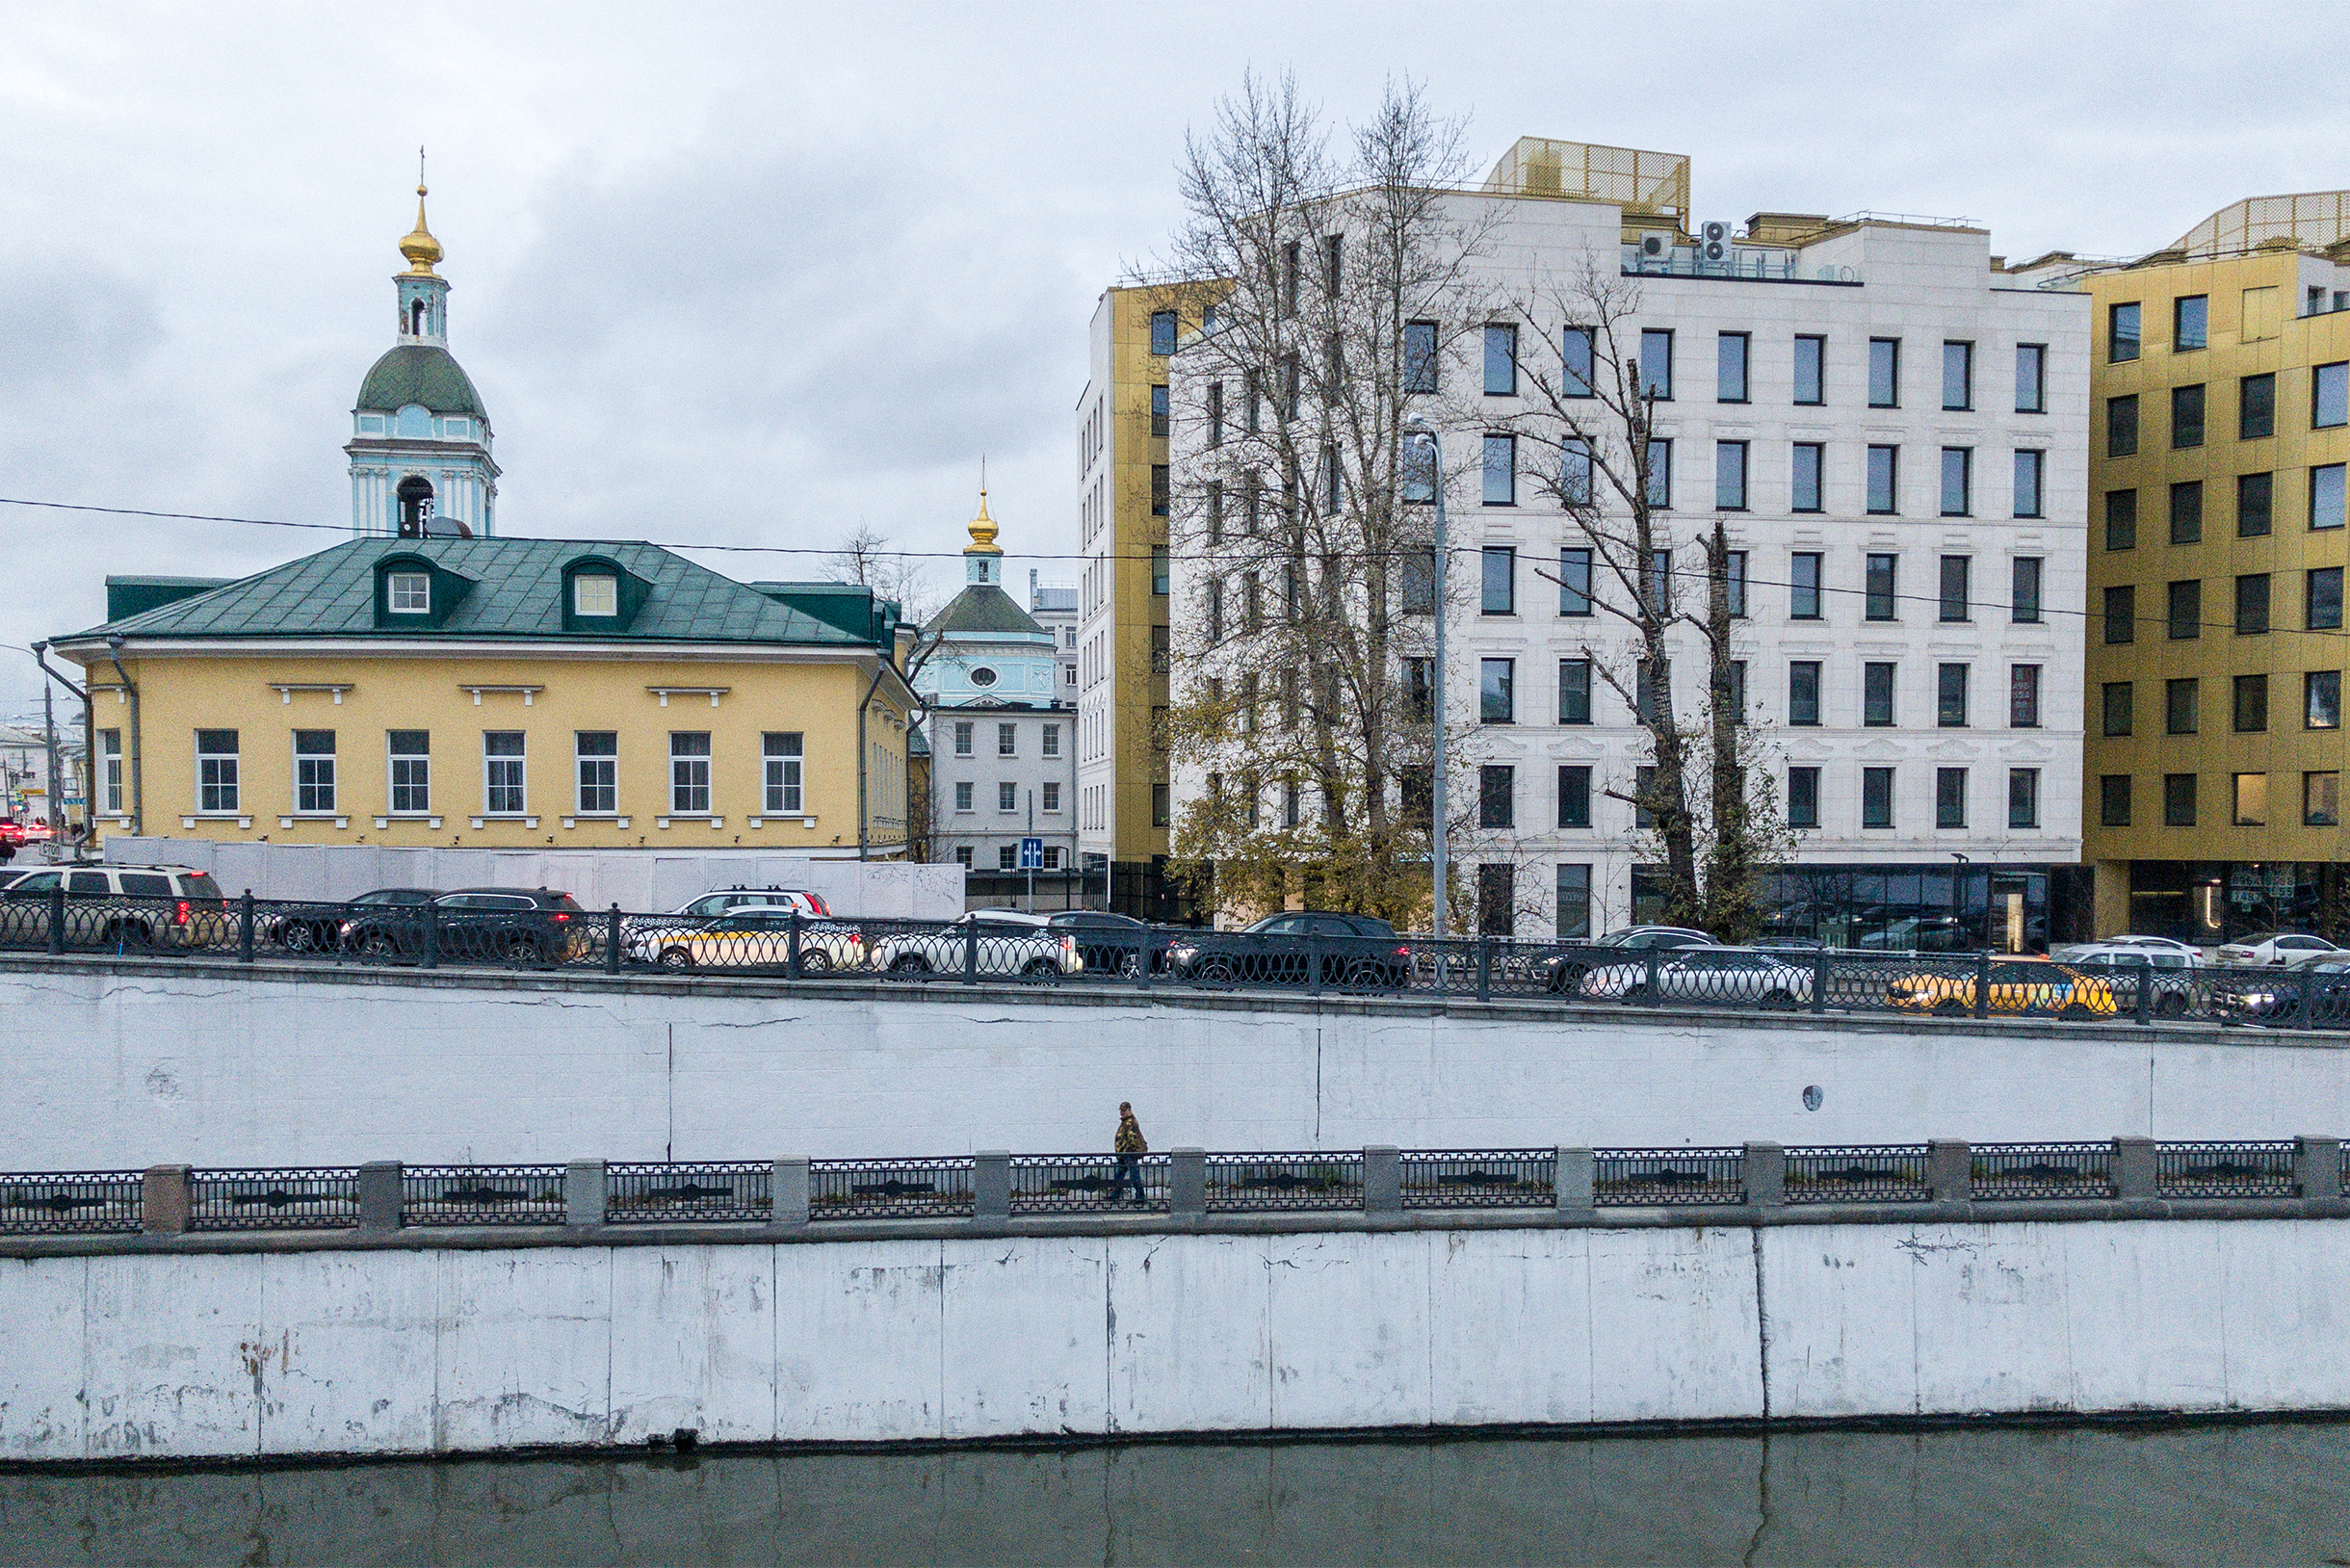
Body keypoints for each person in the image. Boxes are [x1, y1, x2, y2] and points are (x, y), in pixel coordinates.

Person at [1113, 1101, 1147, 1204]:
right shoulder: (1126, 1121)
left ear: (1129, 1110)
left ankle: (1140, 1196)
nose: (1122, 1113)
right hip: (1124, 1154)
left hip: (1129, 1154)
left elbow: (1132, 1139)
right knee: (1120, 1174)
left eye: (1124, 1110)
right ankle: (1115, 1194)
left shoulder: (1130, 1122)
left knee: (1134, 1175)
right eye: (1121, 1110)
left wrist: (1127, 1151)